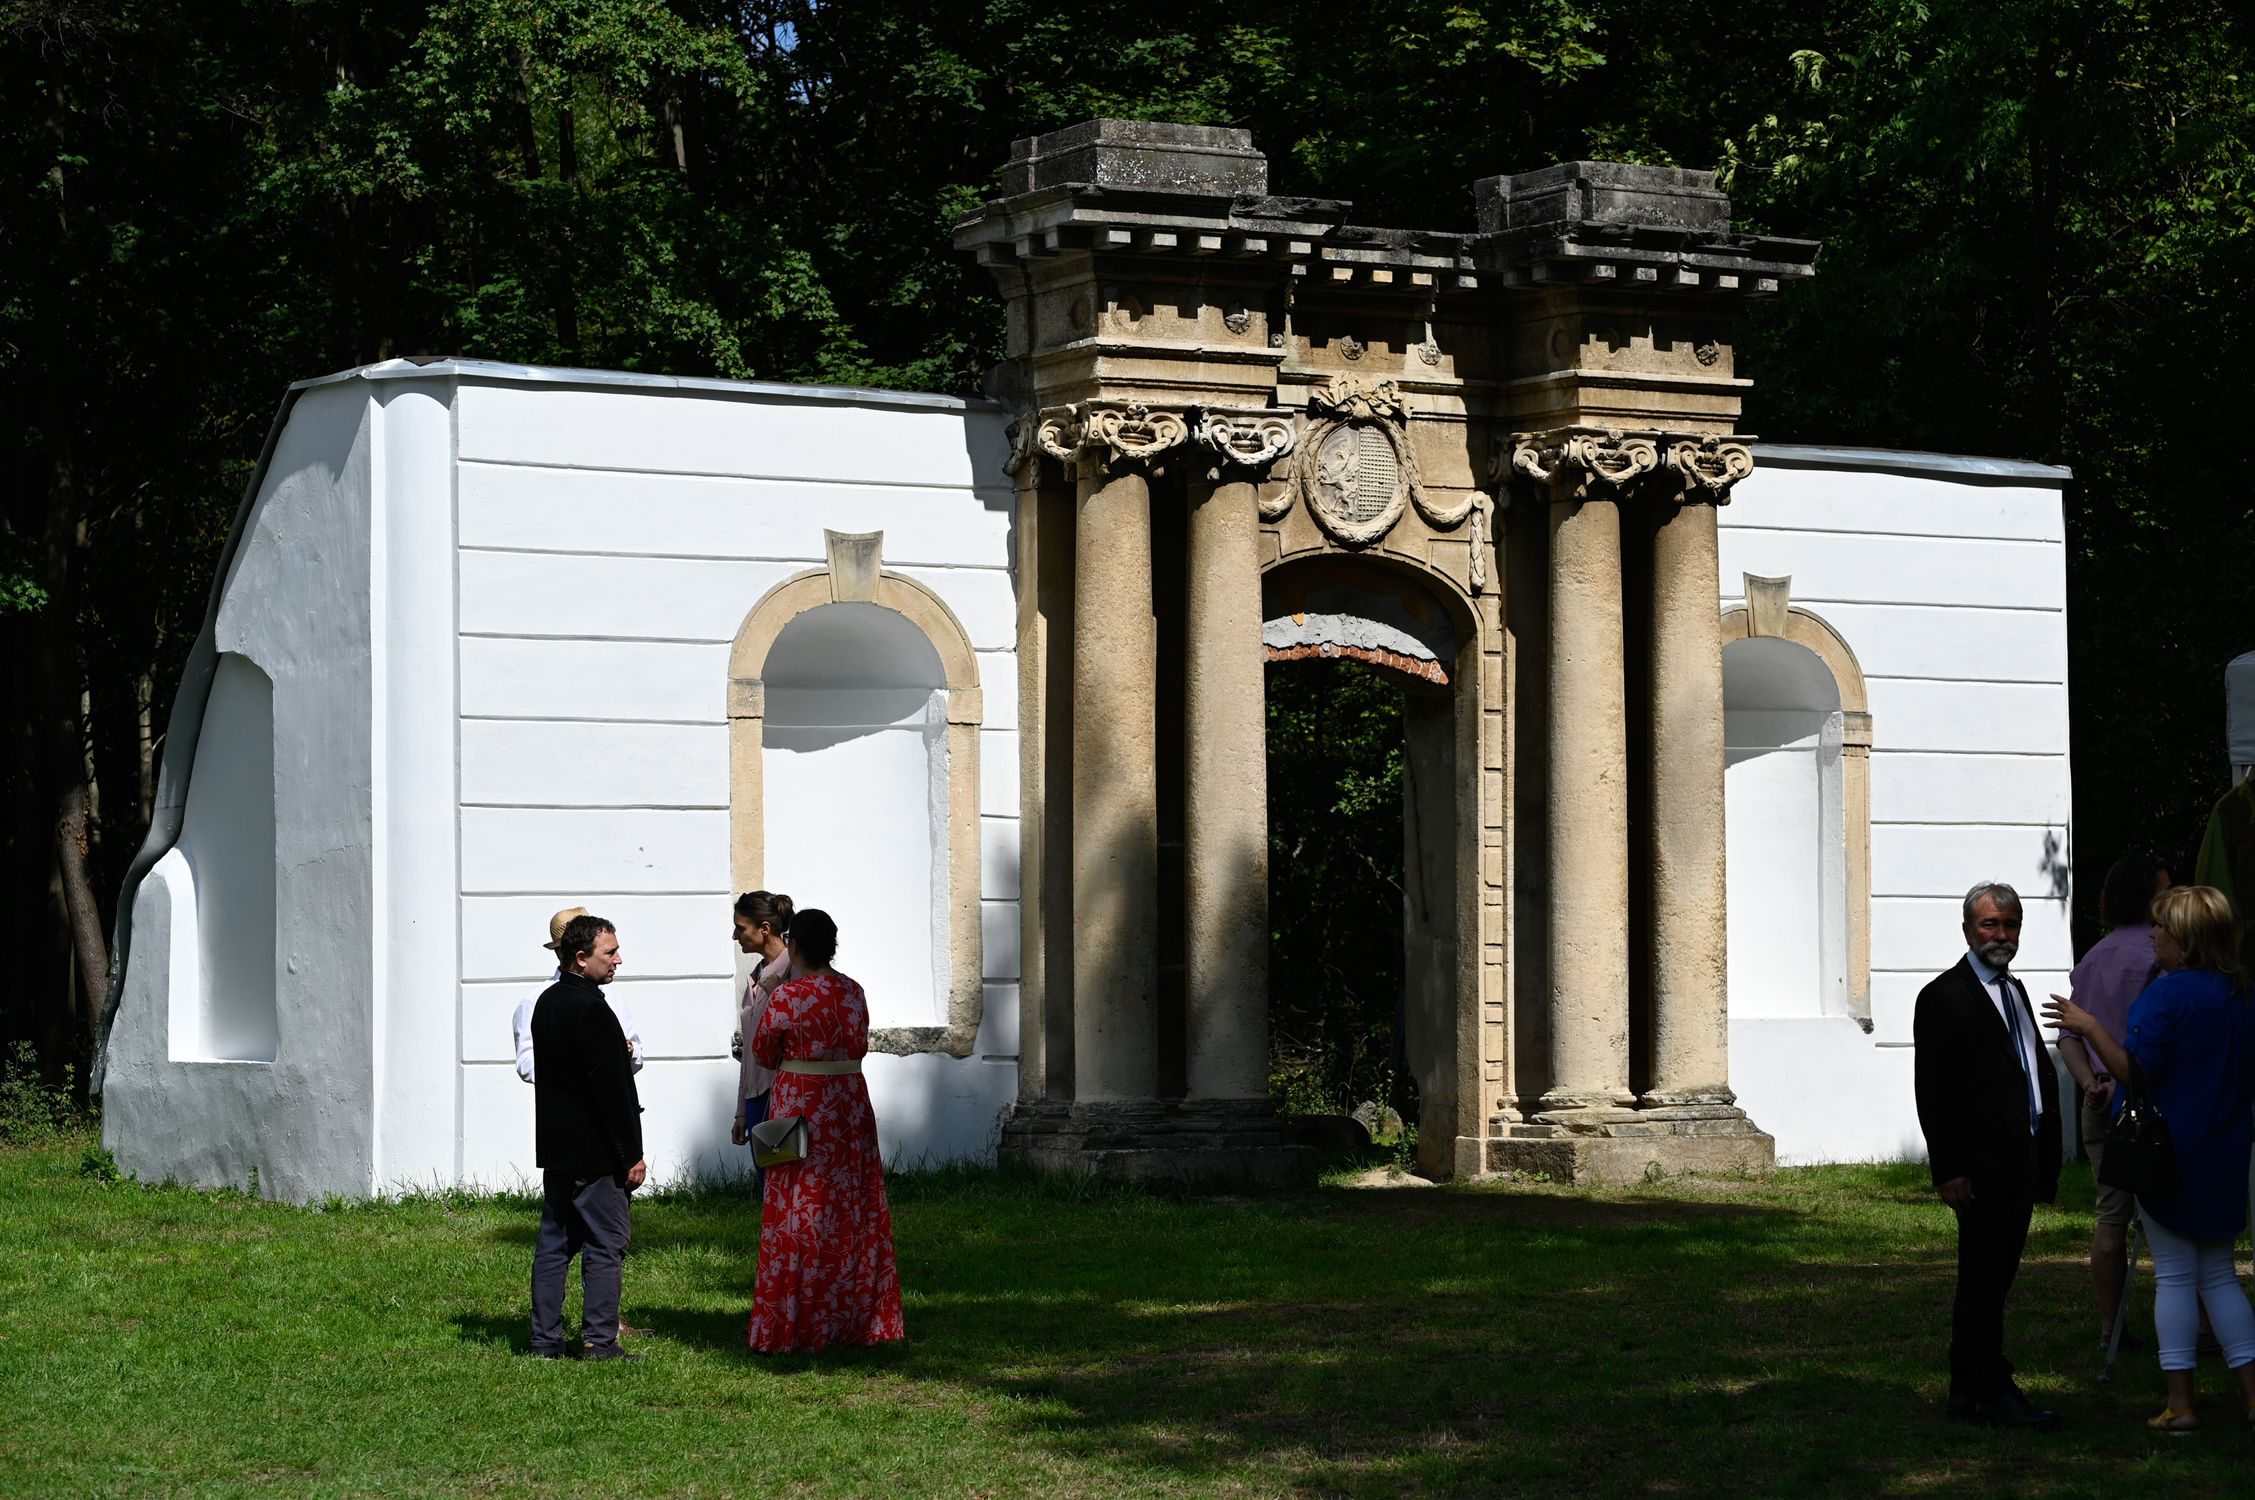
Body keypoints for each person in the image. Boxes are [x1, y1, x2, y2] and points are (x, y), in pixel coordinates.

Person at [2046, 885, 2255, 1432]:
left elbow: (2135, 1074)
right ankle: (2252, 1397)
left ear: (2183, 940)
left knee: (2177, 1277)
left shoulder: (2165, 997)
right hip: (2227, 1150)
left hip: (2170, 1152)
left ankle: (2180, 1403)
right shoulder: (2240, 992)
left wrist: (2090, 1027)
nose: (2153, 935)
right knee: (2221, 1275)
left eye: (2161, 927)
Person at [1913, 880, 2063, 1428]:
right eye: (1990, 925)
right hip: (1980, 1168)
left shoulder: (2014, 989)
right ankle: (1993, 1388)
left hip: (2019, 1161)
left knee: (1989, 1279)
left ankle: (1966, 1389)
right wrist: (1949, 1168)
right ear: (1968, 930)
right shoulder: (1943, 996)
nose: (2002, 935)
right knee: (1984, 1279)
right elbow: (1933, 1090)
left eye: (2010, 925)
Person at [745, 909, 904, 1353]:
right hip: (849, 1106)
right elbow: (860, 1045)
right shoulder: (853, 992)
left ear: (794, 947)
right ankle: (855, 1319)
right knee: (852, 1206)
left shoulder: (787, 997)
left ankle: (796, 1322)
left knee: (797, 1210)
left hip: (799, 1104)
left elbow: (762, 1053)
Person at [2060, 854, 2169, 1344]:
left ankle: (2110, 1327)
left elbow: (2070, 1037)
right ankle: (2195, 1325)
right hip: (2149, 1102)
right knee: (2168, 1220)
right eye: (2163, 891)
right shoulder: (2159, 955)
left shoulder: (2091, 958)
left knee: (2110, 1218)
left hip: (2098, 1100)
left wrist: (2089, 1083)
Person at [528, 914, 647, 1361]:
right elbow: (613, 1093)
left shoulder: (548, 1002)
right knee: (606, 1242)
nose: (619, 959)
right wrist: (630, 1155)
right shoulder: (593, 1009)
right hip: (597, 1153)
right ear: (581, 958)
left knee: (555, 1245)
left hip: (559, 1148)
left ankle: (545, 1340)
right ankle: (599, 1339)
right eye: (610, 952)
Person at [512, 905, 642, 1084]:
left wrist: (627, 1050)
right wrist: (582, 1062)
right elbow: (526, 1064)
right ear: (564, 952)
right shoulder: (536, 1000)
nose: (617, 960)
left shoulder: (609, 994)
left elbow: (636, 1051)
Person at [727, 890, 796, 1187]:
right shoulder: (757, 975)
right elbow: (750, 1049)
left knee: (785, 1184)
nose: (735, 935)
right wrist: (742, 1109)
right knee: (768, 1185)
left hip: (783, 1096)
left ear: (764, 929)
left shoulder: (793, 972)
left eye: (741, 928)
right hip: (758, 1097)